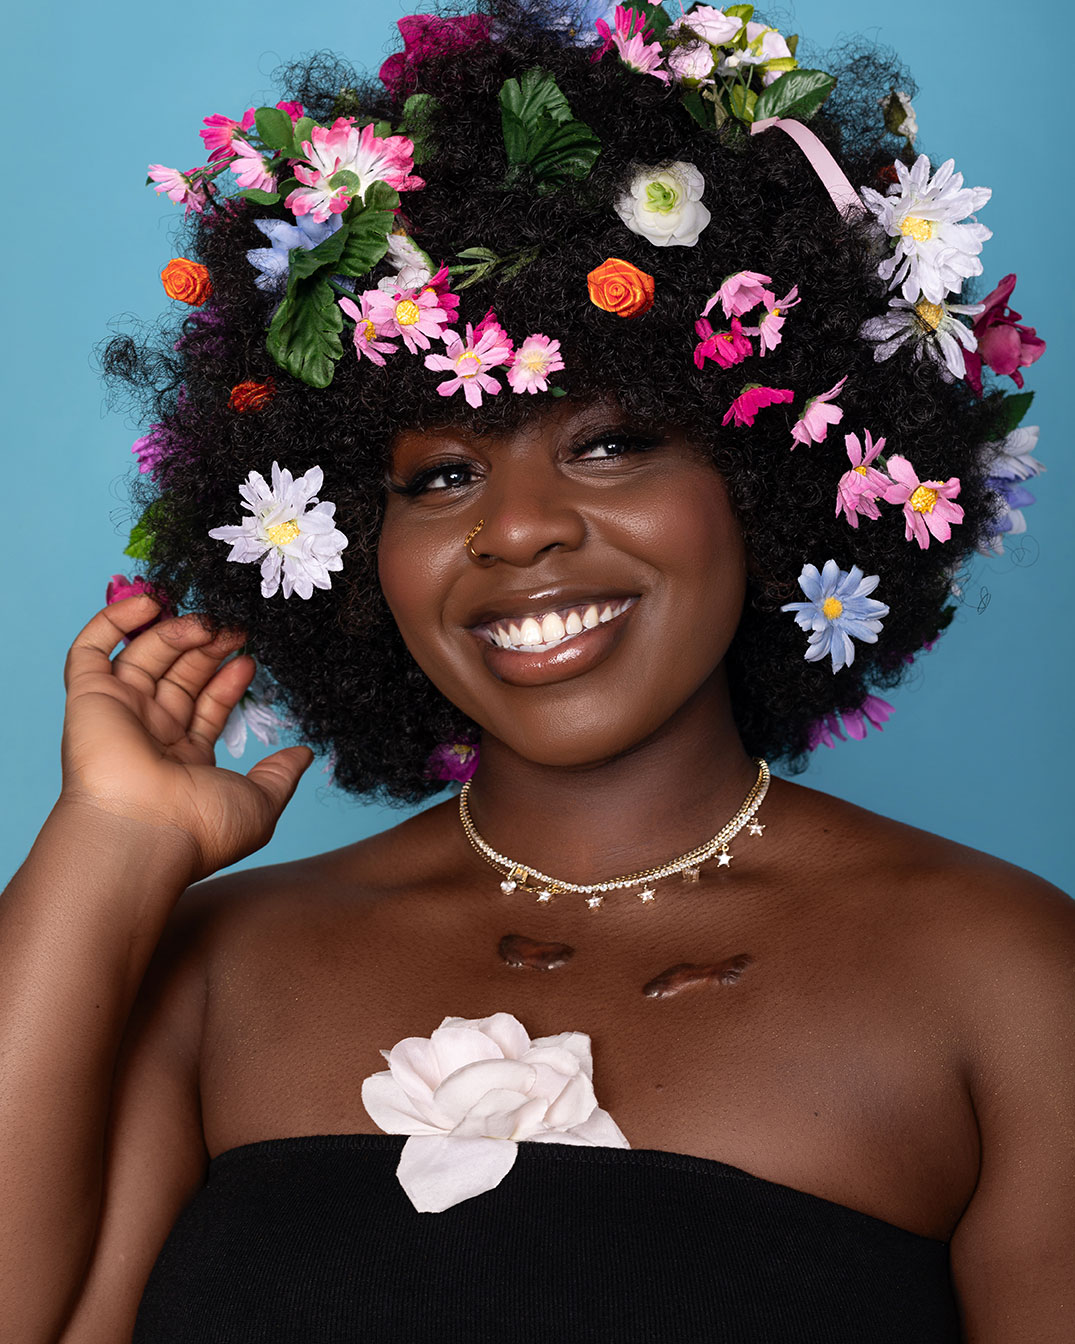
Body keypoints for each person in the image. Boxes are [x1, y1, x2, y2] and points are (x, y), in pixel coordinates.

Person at [2, 2, 1071, 1339]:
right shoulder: (221, 963)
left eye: (612, 443)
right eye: (442, 475)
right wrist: (104, 845)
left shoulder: (1008, 979)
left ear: (769, 479)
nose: (515, 529)